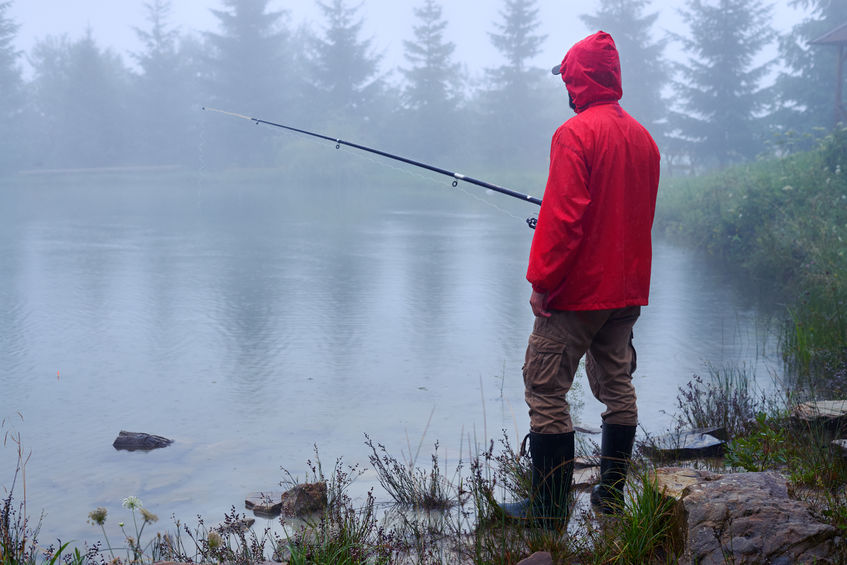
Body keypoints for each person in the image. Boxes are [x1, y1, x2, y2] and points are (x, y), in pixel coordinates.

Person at [501, 31, 660, 524]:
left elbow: (564, 219)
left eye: (567, 80)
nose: (565, 90)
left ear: (578, 80)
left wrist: (542, 283)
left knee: (546, 389)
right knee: (617, 384)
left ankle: (548, 511)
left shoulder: (575, 134)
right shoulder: (644, 139)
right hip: (625, 292)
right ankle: (609, 496)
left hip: (578, 295)